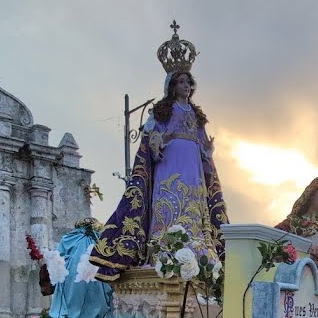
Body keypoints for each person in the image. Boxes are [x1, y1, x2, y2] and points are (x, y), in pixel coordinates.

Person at [91, 28, 229, 280]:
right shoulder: (162, 111)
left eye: (189, 82)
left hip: (193, 168)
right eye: (181, 82)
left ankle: (198, 252)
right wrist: (159, 140)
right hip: (170, 164)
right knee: (170, 202)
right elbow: (150, 139)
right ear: (172, 85)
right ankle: (163, 250)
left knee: (194, 205)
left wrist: (207, 150)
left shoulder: (196, 115)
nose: (186, 86)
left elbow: (202, 143)